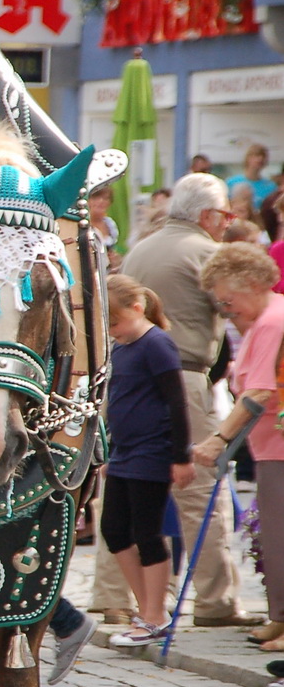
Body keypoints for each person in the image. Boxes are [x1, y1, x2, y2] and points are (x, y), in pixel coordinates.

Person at [120, 173, 253, 626]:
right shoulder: (205, 252)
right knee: (199, 491)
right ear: (207, 215)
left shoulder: (141, 248)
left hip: (128, 378)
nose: (228, 223)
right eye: (226, 215)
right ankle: (216, 601)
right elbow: (239, 307)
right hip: (182, 375)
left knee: (125, 488)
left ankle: (113, 597)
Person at [193, 243, 284, 650]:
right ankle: (279, 617)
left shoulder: (271, 322)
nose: (226, 311)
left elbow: (259, 391)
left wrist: (219, 439)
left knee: (280, 535)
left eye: (228, 302)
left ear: (251, 283)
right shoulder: (267, 317)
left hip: (278, 445)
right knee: (274, 534)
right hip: (269, 445)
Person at [99, 276, 196, 648]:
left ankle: (154, 615)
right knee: (114, 530)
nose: (113, 331)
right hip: (124, 452)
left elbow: (176, 401)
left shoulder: (156, 343)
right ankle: (148, 610)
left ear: (137, 309)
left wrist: (181, 456)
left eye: (116, 322)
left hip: (152, 451)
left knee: (147, 533)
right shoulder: (121, 348)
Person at [232, 143, 275, 207]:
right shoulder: (233, 182)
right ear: (248, 158)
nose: (260, 159)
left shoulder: (270, 186)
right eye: (256, 155)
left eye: (263, 156)